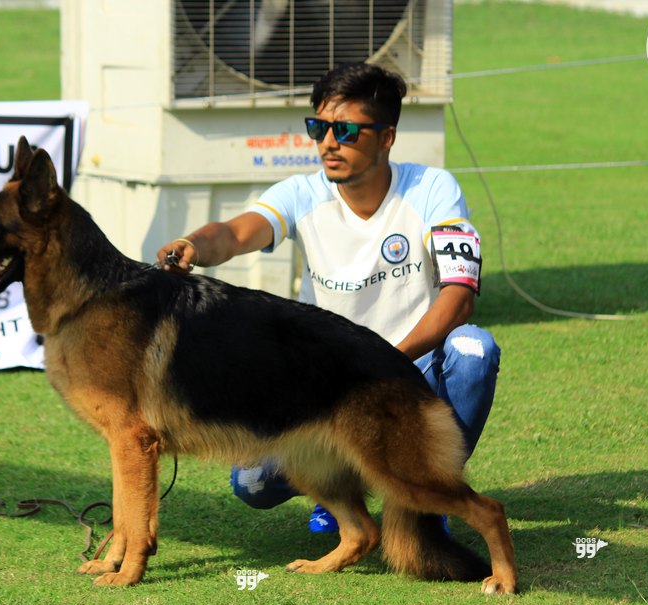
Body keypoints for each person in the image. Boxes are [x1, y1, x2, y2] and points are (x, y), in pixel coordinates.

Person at [157, 62, 499, 534]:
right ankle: (336, 496)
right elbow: (234, 233)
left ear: (386, 137)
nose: (328, 143)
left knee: (474, 349)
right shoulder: (302, 193)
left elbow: (458, 298)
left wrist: (382, 366)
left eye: (346, 130)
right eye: (318, 128)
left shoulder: (433, 189)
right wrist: (193, 244)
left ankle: (429, 497)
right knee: (251, 483)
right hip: (324, 388)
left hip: (409, 369)